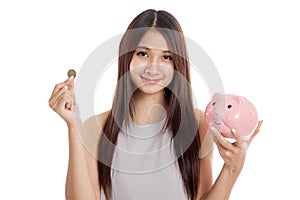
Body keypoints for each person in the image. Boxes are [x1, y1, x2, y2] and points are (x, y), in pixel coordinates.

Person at [48, 9, 263, 200]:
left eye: (166, 57)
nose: (153, 68)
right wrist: (73, 127)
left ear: (177, 64)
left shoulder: (198, 124)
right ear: (127, 57)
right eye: (143, 54)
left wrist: (232, 168)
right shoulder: (96, 128)